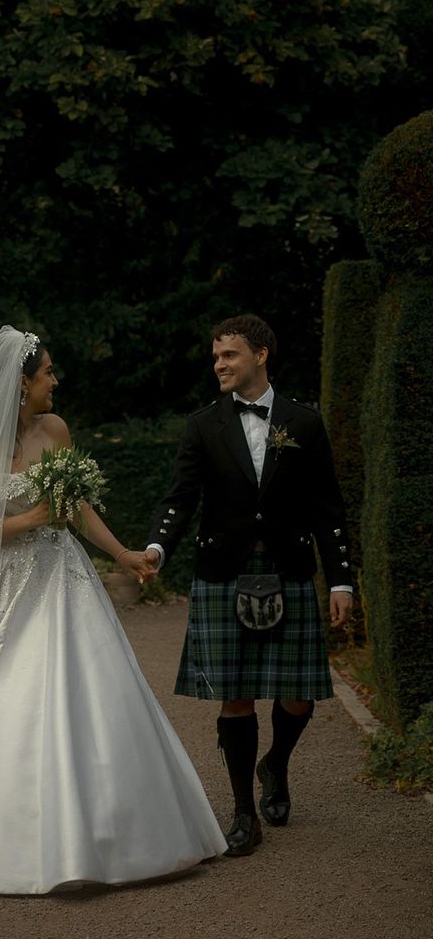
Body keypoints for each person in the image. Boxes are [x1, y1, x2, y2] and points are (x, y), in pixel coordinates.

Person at [0, 326, 226, 894]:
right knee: (8, 694)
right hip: (9, 585)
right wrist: (32, 518)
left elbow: (77, 508)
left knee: (98, 686)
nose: (55, 381)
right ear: (22, 384)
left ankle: (120, 832)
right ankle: (8, 839)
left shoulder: (56, 430)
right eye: (47, 373)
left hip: (64, 576)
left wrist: (123, 553)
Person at [145, 313, 352, 857]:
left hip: (288, 566)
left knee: (300, 696)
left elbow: (327, 506)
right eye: (216, 357)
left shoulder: (302, 423)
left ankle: (275, 764)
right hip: (223, 570)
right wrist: (158, 547)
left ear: (261, 355)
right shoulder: (202, 425)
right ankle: (241, 813)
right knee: (235, 697)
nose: (219, 364)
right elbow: (179, 497)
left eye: (229, 355)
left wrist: (341, 582)